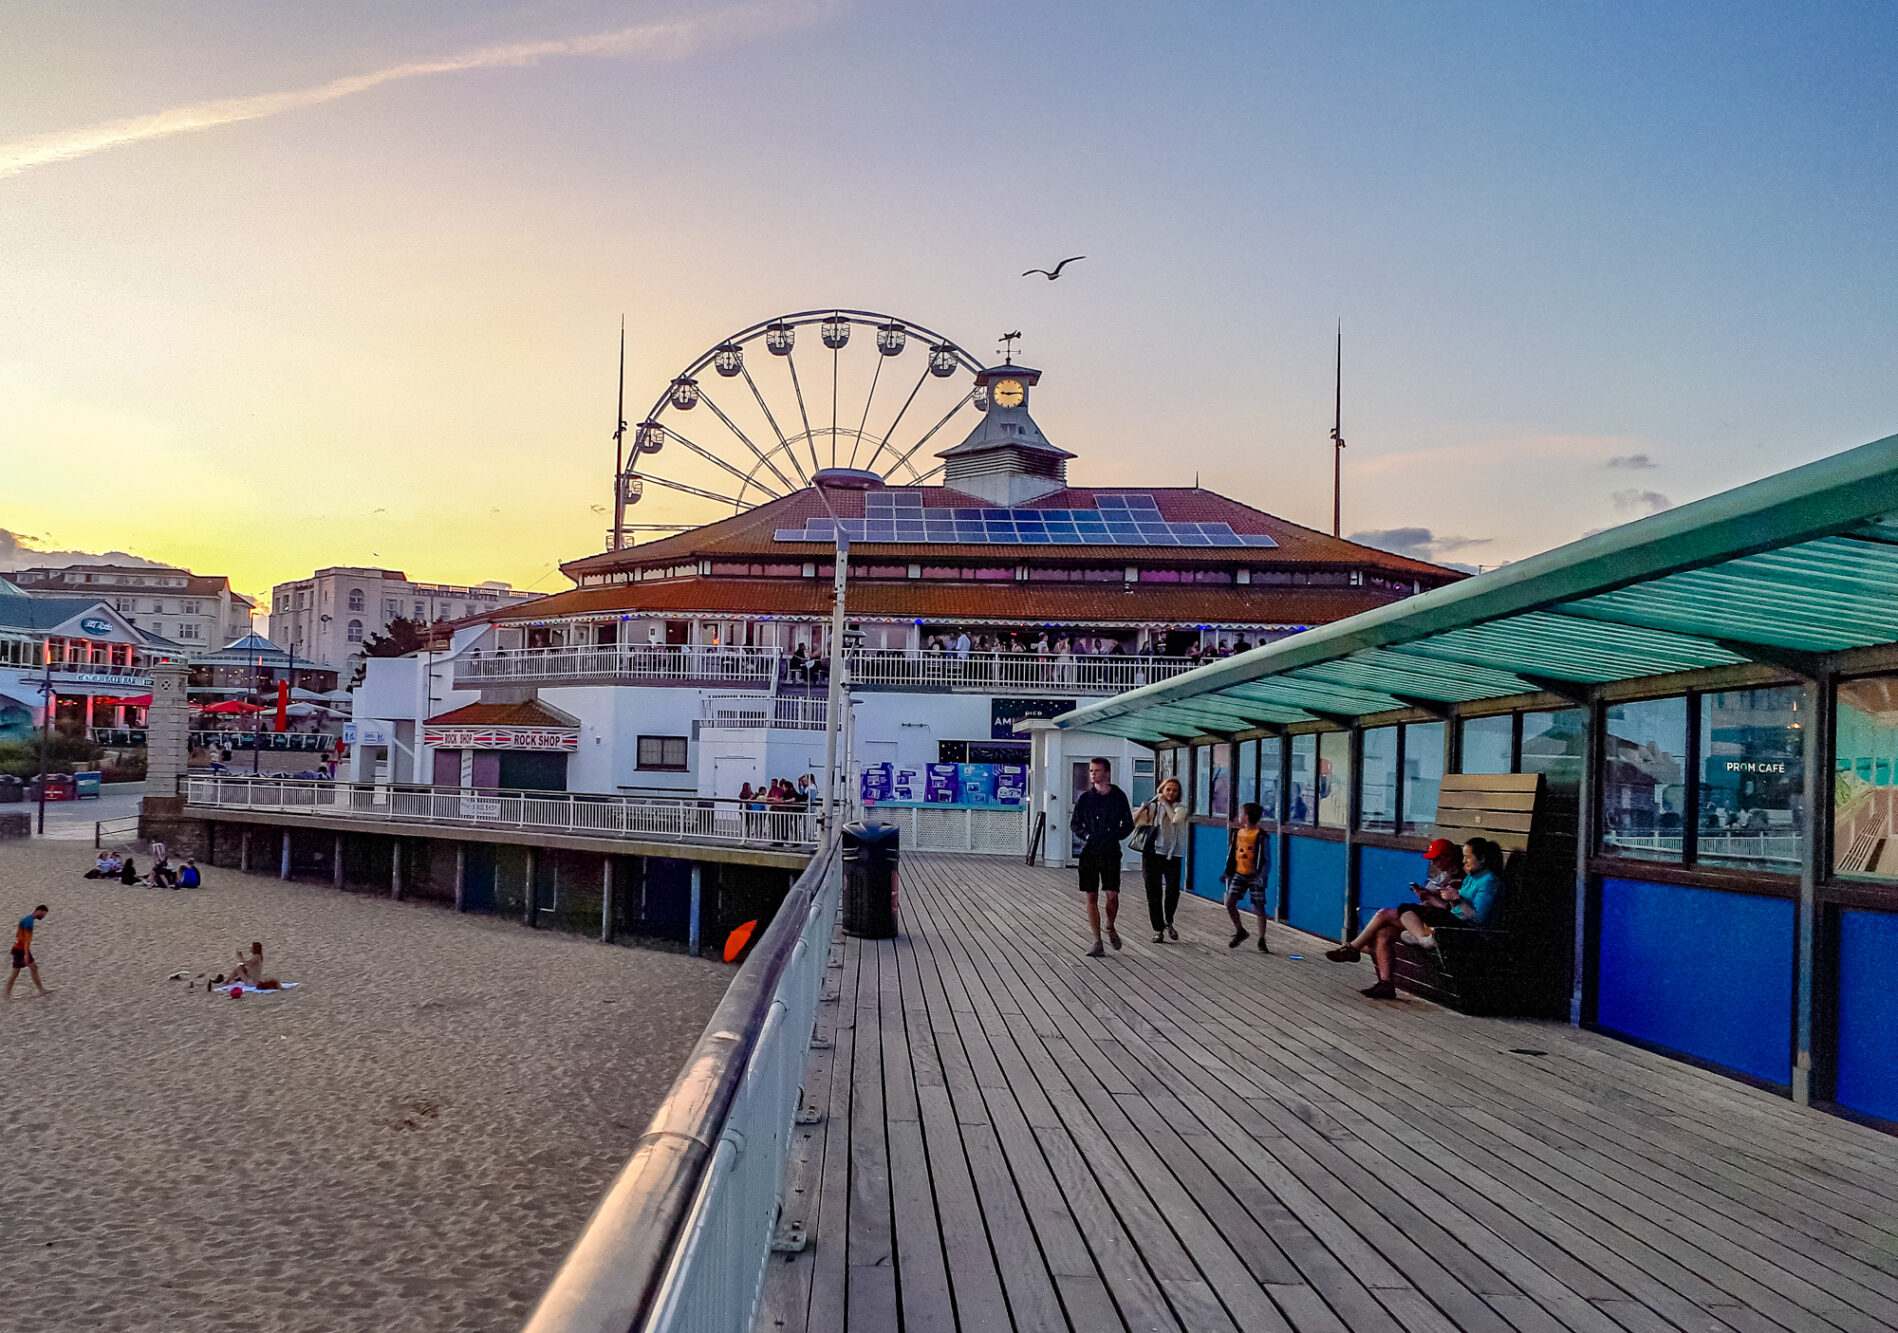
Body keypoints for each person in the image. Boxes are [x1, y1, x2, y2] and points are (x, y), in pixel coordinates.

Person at [1325, 838, 1499, 999]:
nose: (1464, 861)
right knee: (1385, 932)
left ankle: (1356, 947)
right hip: (1451, 921)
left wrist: (1456, 898)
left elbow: (1478, 918)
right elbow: (1454, 909)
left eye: (1468, 857)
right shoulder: (1471, 878)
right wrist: (1435, 897)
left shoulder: (1488, 881)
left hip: (1462, 930)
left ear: (1482, 858)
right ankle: (1385, 983)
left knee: (1395, 911)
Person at [1071, 758, 1134, 957]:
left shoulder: (1118, 796)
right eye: (1091, 771)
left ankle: (1110, 925)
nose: (1093, 774)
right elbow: (1075, 823)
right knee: (1091, 895)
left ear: (1107, 773)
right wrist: (1086, 835)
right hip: (1090, 851)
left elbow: (1129, 824)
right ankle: (1097, 941)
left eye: (1097, 770)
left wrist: (1115, 835)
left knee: (1112, 895)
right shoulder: (1085, 798)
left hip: (1110, 850)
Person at [1133, 776, 1188, 942]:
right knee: (1153, 892)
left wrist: (1164, 803)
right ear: (1162, 790)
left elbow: (1175, 820)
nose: (1170, 793)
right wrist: (1141, 809)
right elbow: (1135, 822)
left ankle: (1169, 921)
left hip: (1173, 855)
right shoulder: (1154, 807)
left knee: (1172, 890)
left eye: (1174, 790)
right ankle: (1158, 929)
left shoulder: (1181, 808)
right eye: (1168, 789)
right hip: (1152, 854)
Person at [1223, 802, 1272, 951]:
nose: (1239, 816)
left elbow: (1266, 859)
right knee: (1230, 902)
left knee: (1259, 906)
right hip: (1239, 873)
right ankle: (1240, 930)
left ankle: (1262, 938)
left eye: (1241, 813)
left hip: (1255, 875)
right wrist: (1228, 872)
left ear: (1247, 816)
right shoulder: (1238, 833)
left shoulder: (1261, 836)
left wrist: (1262, 876)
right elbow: (1233, 854)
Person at [8, 906, 49, 997]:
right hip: (20, 950)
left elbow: (19, 935)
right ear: (39, 911)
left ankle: (41, 989)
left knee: (33, 968)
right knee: (16, 972)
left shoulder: (26, 919)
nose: (43, 916)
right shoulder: (29, 922)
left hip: (18, 948)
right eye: (43, 914)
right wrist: (26, 955)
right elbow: (27, 940)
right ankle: (6, 993)